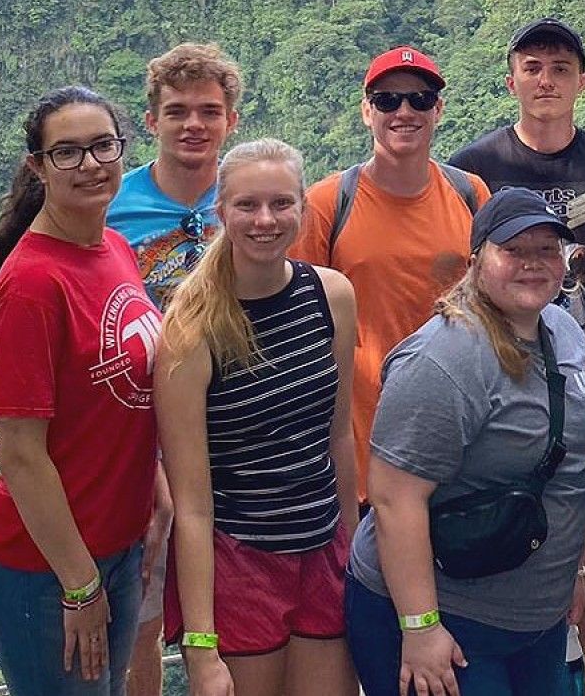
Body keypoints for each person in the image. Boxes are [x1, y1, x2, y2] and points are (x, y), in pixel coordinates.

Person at [344, 188, 585, 696]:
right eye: (514, 250)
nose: (533, 264)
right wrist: (420, 628)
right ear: (477, 260)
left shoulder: (564, 331)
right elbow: (395, 498)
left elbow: (567, 473)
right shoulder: (445, 358)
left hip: (535, 618)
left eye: (547, 250)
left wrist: (572, 570)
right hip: (448, 617)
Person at [0, 86, 160, 695]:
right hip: (46, 567)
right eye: (68, 152)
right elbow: (21, 454)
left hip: (116, 546)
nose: (91, 165)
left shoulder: (115, 249)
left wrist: (153, 494)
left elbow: (129, 396)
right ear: (38, 166)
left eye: (103, 146)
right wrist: (79, 585)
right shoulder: (31, 285)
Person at [155, 138, 360, 695]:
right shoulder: (193, 329)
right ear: (220, 212)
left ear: (302, 208)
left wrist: (354, 553)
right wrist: (201, 647)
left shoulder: (331, 295)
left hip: (322, 548)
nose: (264, 220)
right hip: (239, 560)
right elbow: (193, 504)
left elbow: (338, 436)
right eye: (246, 206)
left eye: (280, 203)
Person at [290, 45, 490, 511]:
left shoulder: (470, 193)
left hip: (455, 433)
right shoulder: (327, 203)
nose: (404, 111)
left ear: (438, 110)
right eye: (387, 100)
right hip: (360, 442)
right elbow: (299, 320)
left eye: (420, 100)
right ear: (366, 111)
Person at [105, 41, 242, 696]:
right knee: (143, 596)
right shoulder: (111, 209)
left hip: (238, 428)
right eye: (178, 110)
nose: (195, 124)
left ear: (231, 121)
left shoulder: (250, 200)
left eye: (209, 111)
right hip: (138, 433)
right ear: (152, 119)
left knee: (234, 599)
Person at [449, 17, 585, 341]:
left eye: (561, 69)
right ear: (511, 83)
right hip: (496, 349)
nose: (546, 81)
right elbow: (457, 273)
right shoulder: (471, 169)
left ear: (582, 82)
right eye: (532, 68)